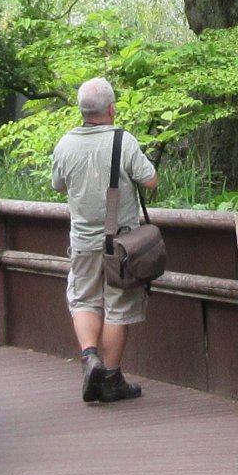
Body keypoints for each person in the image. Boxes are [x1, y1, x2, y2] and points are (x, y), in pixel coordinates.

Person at [50, 76, 155, 405]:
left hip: (82, 242)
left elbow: (58, 186)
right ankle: (110, 378)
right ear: (111, 109)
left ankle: (90, 356)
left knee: (83, 300)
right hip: (121, 245)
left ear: (82, 110)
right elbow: (150, 181)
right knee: (117, 308)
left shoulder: (65, 144)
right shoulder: (123, 141)